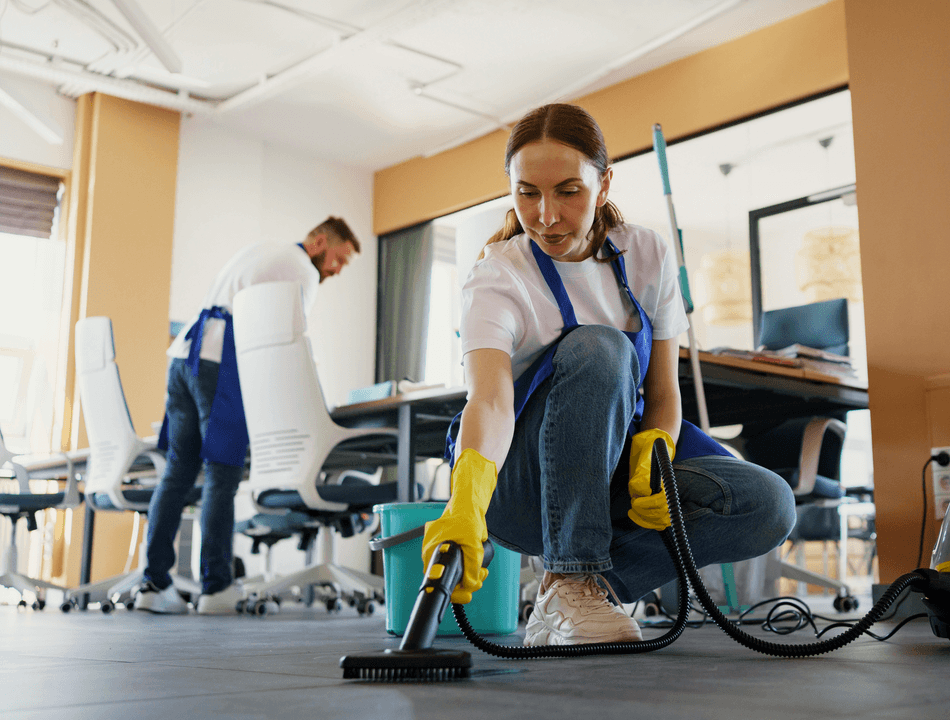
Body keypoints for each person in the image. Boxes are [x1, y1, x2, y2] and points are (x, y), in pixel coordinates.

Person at [422, 104, 796, 645]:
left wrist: (659, 447)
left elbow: (665, 392)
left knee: (766, 504)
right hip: (521, 486)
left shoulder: (644, 253)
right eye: (527, 193)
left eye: (568, 191)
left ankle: (581, 589)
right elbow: (491, 402)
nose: (546, 215)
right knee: (602, 347)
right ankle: (570, 577)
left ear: (603, 184)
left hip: (612, 472)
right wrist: (466, 502)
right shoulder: (498, 277)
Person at [134, 217, 360, 615]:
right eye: (338, 259)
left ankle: (154, 584)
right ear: (320, 242)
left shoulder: (262, 251)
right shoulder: (302, 270)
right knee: (223, 474)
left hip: (185, 354)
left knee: (178, 472)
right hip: (221, 360)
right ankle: (216, 587)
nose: (336, 270)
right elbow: (289, 344)